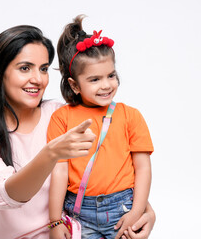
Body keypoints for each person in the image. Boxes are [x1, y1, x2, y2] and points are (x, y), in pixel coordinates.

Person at [0, 25, 155, 239]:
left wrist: (145, 211)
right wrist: (50, 155)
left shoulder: (60, 114)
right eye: (25, 68)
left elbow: (106, 169)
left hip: (72, 231)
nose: (38, 79)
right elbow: (8, 195)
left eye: (43, 69)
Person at [47, 15, 154, 239]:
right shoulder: (61, 118)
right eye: (94, 79)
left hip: (122, 209)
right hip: (77, 211)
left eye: (111, 75)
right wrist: (55, 220)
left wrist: (137, 211)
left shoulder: (131, 116)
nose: (106, 85)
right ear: (74, 85)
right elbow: (59, 170)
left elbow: (143, 168)